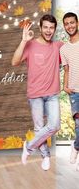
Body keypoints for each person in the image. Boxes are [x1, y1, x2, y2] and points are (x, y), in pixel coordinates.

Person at [12, 14, 63, 171]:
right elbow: (14, 62)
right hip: (35, 95)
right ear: (40, 28)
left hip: (52, 94)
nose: (48, 30)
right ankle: (46, 156)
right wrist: (24, 41)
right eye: (46, 27)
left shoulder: (58, 46)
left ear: (54, 29)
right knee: (39, 128)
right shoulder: (31, 45)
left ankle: (28, 146)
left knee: (54, 125)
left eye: (51, 27)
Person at [61, 12, 79, 171]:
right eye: (66, 24)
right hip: (75, 91)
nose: (69, 26)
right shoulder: (64, 49)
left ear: (77, 23)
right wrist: (64, 86)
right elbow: (66, 70)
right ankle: (77, 146)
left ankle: (76, 146)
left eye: (72, 22)